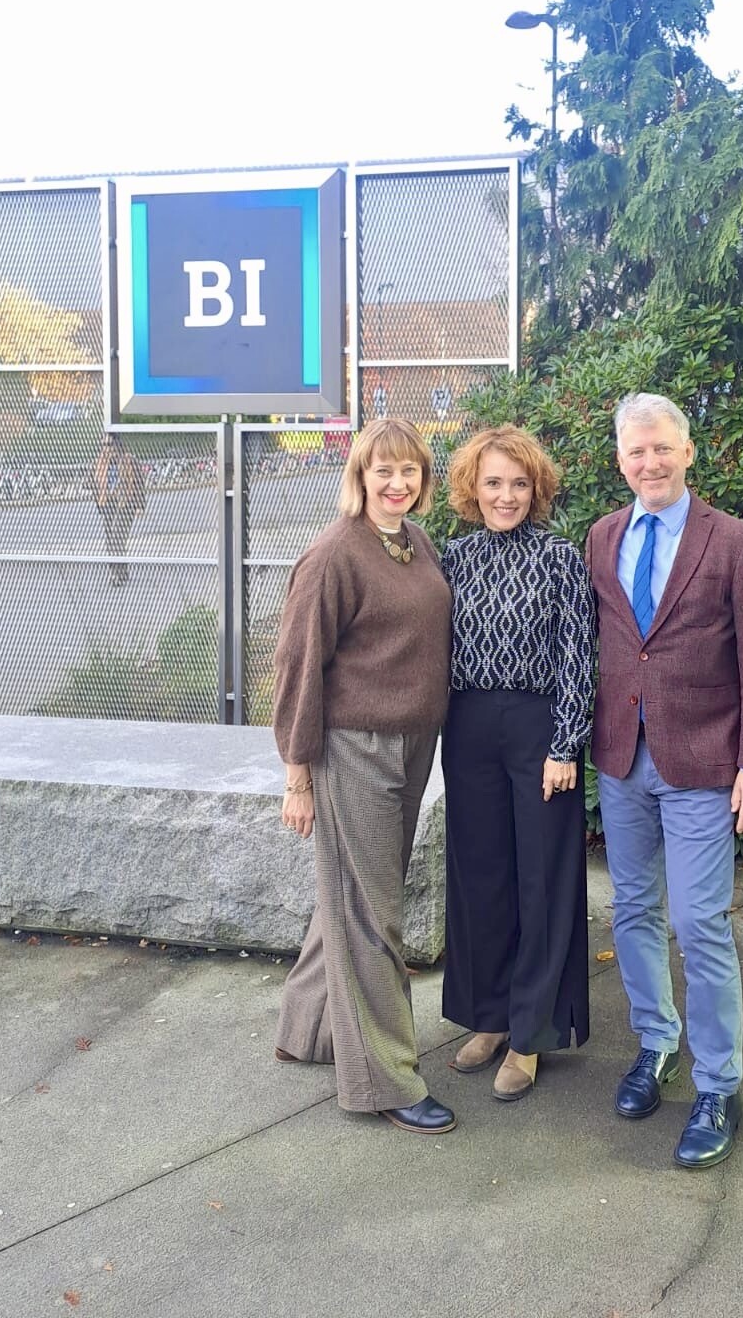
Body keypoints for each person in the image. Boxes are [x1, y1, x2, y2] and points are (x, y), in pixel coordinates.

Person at [585, 392, 743, 1168]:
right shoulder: (603, 536)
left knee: (700, 922)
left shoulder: (735, 543)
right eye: (637, 452)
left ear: (689, 452)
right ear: (621, 461)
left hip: (704, 761)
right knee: (633, 908)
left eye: (663, 448)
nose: (651, 462)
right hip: (622, 759)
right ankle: (656, 1043)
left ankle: (719, 1085)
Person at [272, 417, 457, 1136]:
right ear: (359, 475)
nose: (397, 483)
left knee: (351, 897)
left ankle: (307, 1029)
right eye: (384, 470)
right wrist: (298, 776)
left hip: (413, 745)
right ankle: (386, 1080)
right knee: (374, 914)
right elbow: (297, 669)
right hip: (354, 749)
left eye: (409, 470)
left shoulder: (415, 542)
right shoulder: (333, 555)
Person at [440, 426, 595, 1102]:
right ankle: (491, 1015)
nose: (506, 496)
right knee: (481, 877)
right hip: (468, 726)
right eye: (494, 483)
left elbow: (579, 653)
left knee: (542, 879)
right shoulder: (454, 557)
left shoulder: (560, 557)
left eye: (519, 484)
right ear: (472, 489)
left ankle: (531, 1033)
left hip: (539, 729)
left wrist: (565, 744)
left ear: (538, 489)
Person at [93, 433, 145, 585]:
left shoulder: (128, 460)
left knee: (117, 537)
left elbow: (139, 483)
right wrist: (99, 501)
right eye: (103, 445)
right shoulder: (101, 462)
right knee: (110, 540)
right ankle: (120, 571)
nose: (106, 448)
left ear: (117, 445)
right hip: (108, 503)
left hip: (125, 502)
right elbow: (95, 483)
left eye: (109, 445)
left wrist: (140, 505)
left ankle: (117, 574)